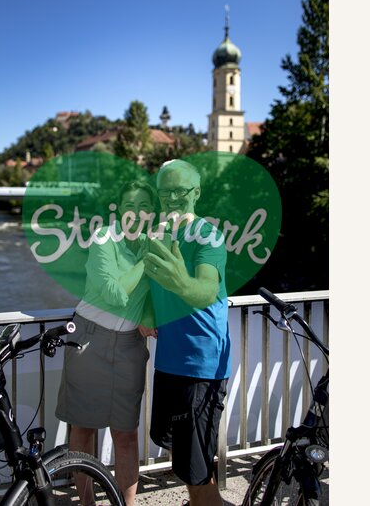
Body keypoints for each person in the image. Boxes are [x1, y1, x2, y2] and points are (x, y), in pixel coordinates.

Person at [55, 180, 157, 506]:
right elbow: (114, 292)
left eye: (144, 206)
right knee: (83, 431)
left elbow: (162, 291)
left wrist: (149, 312)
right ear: (119, 209)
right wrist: (146, 259)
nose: (136, 213)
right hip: (89, 343)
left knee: (125, 435)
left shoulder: (154, 242)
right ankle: (87, 504)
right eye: (130, 206)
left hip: (129, 348)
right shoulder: (104, 237)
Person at [142, 159, 230, 506]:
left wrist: (181, 282)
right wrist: (147, 311)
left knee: (197, 473)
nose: (171, 198)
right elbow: (148, 287)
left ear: (196, 192)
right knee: (185, 463)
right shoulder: (160, 234)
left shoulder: (209, 235)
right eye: (165, 192)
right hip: (169, 361)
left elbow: (206, 290)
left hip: (200, 366)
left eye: (179, 191)